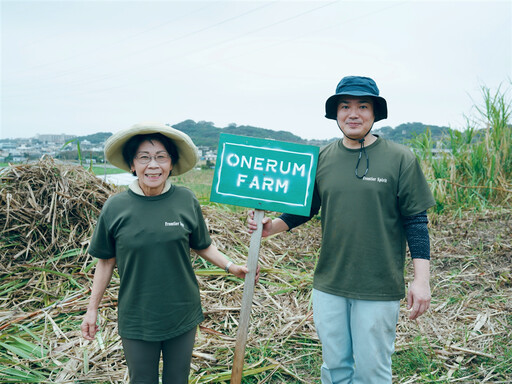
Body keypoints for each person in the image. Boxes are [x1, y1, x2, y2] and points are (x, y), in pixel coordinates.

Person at [248, 76, 436, 384]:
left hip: (378, 285)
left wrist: (421, 281)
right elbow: (307, 208)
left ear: (375, 113)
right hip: (329, 284)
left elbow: (416, 222)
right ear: (335, 113)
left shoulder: (401, 158)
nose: (353, 113)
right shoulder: (322, 157)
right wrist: (272, 227)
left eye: (363, 106)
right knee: (334, 368)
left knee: (372, 371)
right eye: (345, 106)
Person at [81, 122, 258, 384]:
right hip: (137, 316)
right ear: (132, 165)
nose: (153, 165)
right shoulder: (115, 207)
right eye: (144, 157)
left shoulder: (185, 200)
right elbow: (106, 260)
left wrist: (232, 267)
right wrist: (91, 308)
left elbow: (202, 244)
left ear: (171, 164)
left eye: (161, 157)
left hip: (181, 312)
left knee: (178, 379)